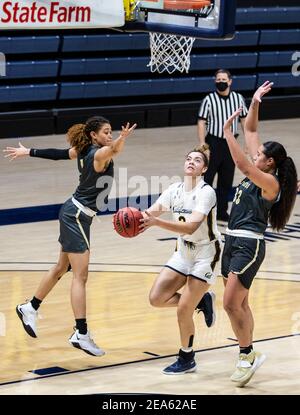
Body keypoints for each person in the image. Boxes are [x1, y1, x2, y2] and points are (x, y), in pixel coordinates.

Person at [4, 116, 136, 356]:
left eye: (111, 131)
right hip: (76, 215)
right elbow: (114, 149)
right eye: (106, 131)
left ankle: (29, 307)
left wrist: (29, 151)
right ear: (93, 135)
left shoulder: (83, 149)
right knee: (80, 276)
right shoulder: (98, 154)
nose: (109, 134)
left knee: (61, 267)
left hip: (75, 213)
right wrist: (121, 139)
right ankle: (81, 333)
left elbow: (57, 154)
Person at [222, 81, 298, 387]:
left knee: (230, 303)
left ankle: (247, 354)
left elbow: (241, 161)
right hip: (231, 239)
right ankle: (247, 354)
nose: (256, 155)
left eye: (260, 155)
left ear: (269, 162)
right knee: (240, 304)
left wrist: (227, 133)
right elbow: (252, 132)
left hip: (249, 244)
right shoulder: (263, 164)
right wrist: (255, 102)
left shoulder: (271, 183)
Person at [139, 144, 221, 375]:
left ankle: (187, 357)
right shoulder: (174, 190)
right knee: (156, 298)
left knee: (183, 308)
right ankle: (202, 300)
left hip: (206, 253)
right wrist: (133, 220)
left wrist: (157, 223)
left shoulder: (206, 192)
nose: (191, 162)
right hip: (184, 251)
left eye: (197, 160)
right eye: (188, 158)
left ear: (204, 169)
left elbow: (192, 226)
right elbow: (151, 213)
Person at [197, 69, 248, 221]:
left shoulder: (238, 98)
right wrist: (202, 143)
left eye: (223, 79)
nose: (220, 82)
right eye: (218, 79)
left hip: (230, 144)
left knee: (226, 180)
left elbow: (244, 120)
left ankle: (221, 212)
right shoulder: (209, 99)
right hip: (214, 142)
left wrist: (247, 142)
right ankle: (201, 212)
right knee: (207, 179)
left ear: (230, 81)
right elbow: (201, 121)